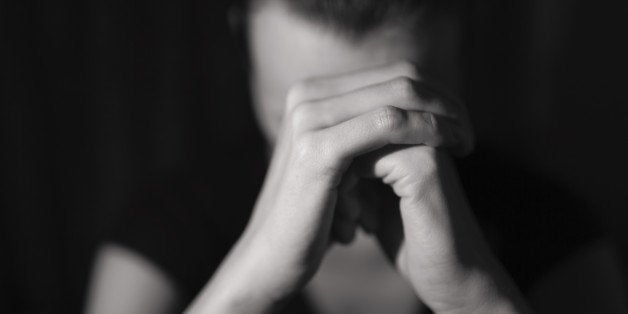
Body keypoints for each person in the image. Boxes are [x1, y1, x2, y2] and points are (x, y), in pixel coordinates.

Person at [85, 0, 627, 313]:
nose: (345, 160)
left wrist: (478, 301)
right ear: (238, 21)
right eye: (299, 122)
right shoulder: (161, 235)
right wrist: (246, 288)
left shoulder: (553, 233)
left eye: (395, 115)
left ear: (456, 45)